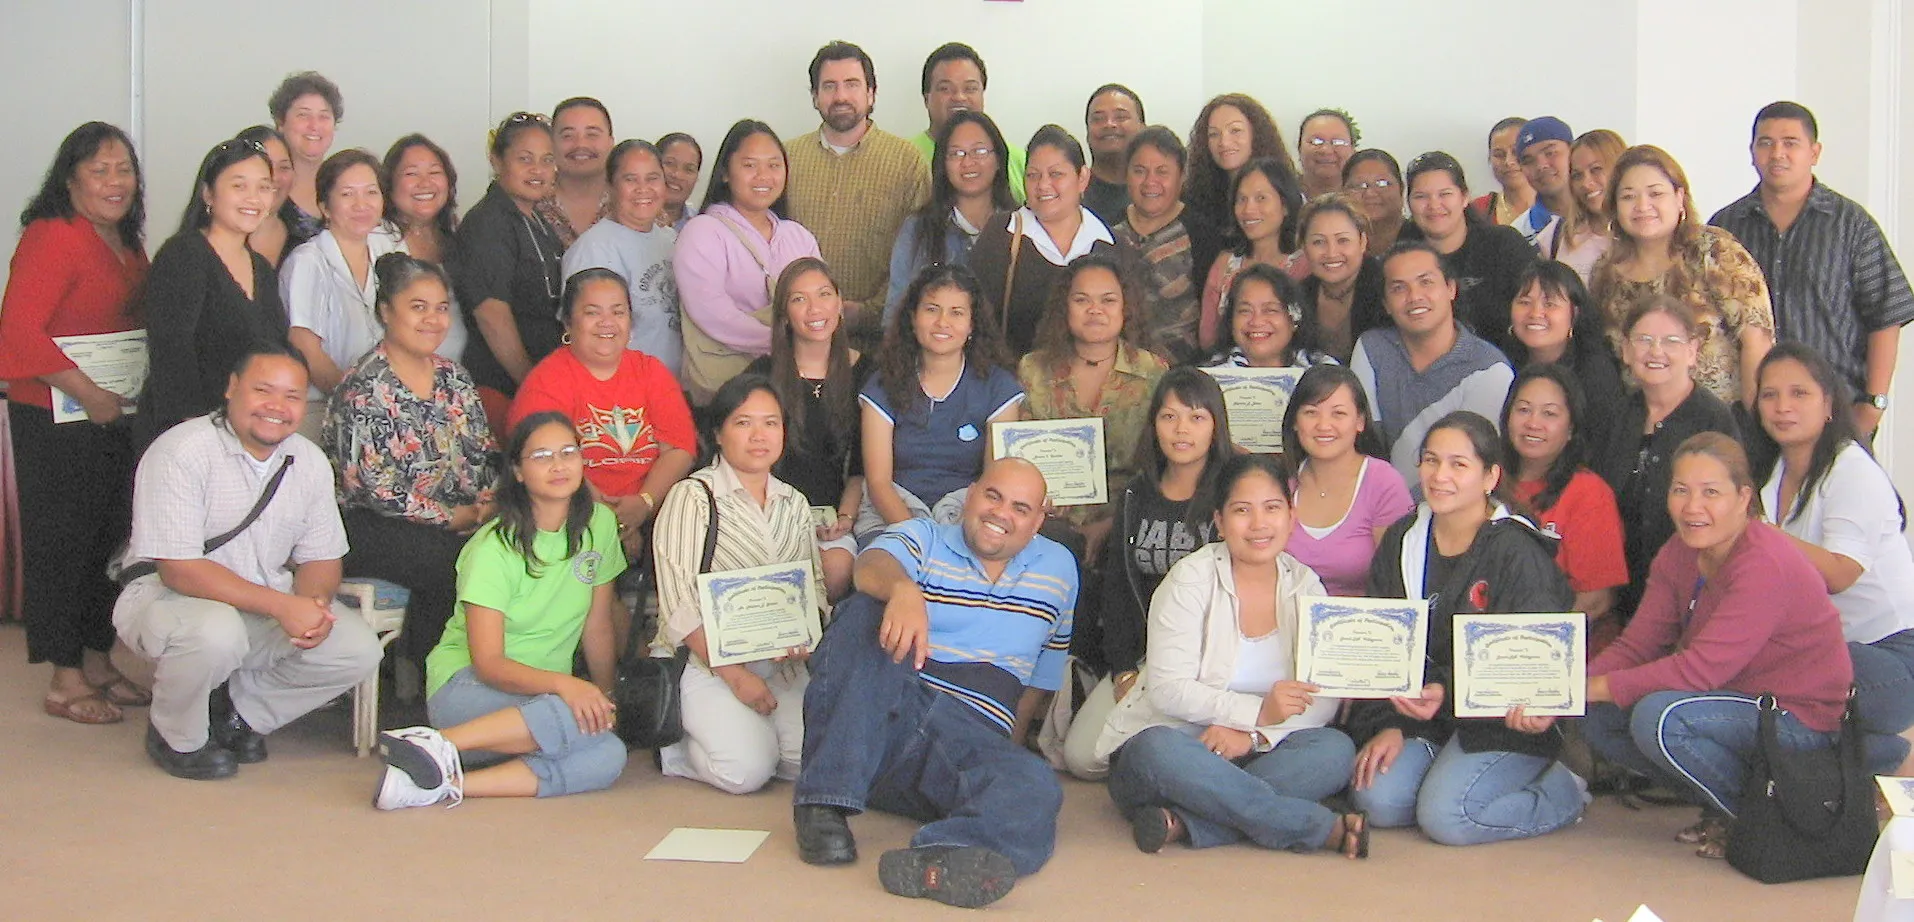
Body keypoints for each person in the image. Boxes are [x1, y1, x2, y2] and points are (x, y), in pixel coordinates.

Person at [792, 458, 1076, 908]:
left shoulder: (1060, 568)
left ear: (1039, 519)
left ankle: (942, 856)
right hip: (892, 714)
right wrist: (903, 590)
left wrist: (1003, 758)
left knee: (1034, 784)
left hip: (967, 742)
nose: (1001, 513)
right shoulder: (925, 536)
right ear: (971, 494)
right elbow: (872, 564)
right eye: (993, 496)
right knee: (864, 611)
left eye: (1020, 508)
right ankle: (824, 802)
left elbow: (1042, 673)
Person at [114, 344, 382, 779]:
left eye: (292, 396)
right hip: (167, 597)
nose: (277, 407)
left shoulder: (308, 461)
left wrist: (311, 607)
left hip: (264, 600)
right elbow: (179, 569)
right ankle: (175, 735)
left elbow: (322, 557)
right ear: (232, 388)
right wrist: (283, 606)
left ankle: (239, 714)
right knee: (215, 632)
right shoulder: (181, 451)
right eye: (263, 390)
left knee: (357, 648)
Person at [1584, 432, 1852, 858]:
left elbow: (1699, 670)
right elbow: (1637, 645)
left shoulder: (1764, 561)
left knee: (1659, 718)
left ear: (1744, 497)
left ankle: (1765, 820)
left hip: (1797, 716)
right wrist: (1564, 690)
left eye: (1711, 492)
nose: (1693, 507)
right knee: (1595, 715)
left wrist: (1595, 687)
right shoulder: (1678, 551)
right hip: (1732, 700)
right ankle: (1723, 808)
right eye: (1681, 490)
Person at [1098, 453, 1367, 858]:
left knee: (1334, 749)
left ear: (1291, 517)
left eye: (1272, 508)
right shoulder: (1189, 580)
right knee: (1155, 748)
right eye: (1242, 510)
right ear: (1220, 522)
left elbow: (1322, 695)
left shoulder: (1305, 585)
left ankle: (1190, 822)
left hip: (1256, 752)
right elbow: (1168, 691)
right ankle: (1314, 827)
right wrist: (1256, 712)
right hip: (1179, 749)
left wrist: (1253, 735)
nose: (1259, 524)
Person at [1346, 411, 1585, 845]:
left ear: (1490, 476)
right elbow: (1385, 648)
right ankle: (1445, 771)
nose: (1440, 476)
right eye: (1431, 460)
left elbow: (1530, 664)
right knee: (1377, 799)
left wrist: (1449, 691)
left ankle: (1563, 790)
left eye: (1459, 464)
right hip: (1427, 719)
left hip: (1502, 721)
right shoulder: (1404, 539)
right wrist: (1391, 723)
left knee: (1447, 818)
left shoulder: (1516, 549)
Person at [372, 411, 627, 808]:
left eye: (568, 452)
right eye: (541, 456)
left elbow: (598, 627)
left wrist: (604, 697)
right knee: (568, 714)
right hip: (469, 691)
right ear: (518, 472)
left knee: (609, 753)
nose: (558, 465)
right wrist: (568, 687)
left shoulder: (601, 524)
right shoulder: (493, 548)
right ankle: (438, 740)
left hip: (539, 703)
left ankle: (436, 782)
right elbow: (489, 664)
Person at [0, 122, 151, 724]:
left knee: (108, 537)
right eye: (99, 170)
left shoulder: (125, 240)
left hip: (112, 416)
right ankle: (65, 677)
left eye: (124, 169)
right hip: (56, 418)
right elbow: (17, 333)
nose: (115, 182)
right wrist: (88, 393)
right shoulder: (52, 234)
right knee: (63, 543)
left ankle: (97, 658)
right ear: (70, 179)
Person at [652, 375, 828, 794]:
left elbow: (815, 588)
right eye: (743, 423)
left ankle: (746, 734)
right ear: (718, 433)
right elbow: (678, 607)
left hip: (779, 662)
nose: (759, 436)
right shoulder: (693, 497)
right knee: (746, 771)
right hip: (705, 662)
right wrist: (735, 676)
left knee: (809, 761)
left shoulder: (795, 503)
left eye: (771, 423)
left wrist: (808, 632)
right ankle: (677, 750)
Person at [325, 253, 498, 667]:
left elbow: (484, 451)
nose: (433, 320)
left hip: (458, 515)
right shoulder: (366, 386)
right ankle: (430, 676)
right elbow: (375, 488)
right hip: (371, 524)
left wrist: (487, 503)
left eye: (441, 308)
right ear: (386, 311)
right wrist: (449, 517)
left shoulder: (454, 377)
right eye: (418, 307)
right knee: (453, 561)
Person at [1060, 369, 1229, 779]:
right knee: (1082, 758)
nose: (1181, 429)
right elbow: (1118, 588)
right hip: (1146, 656)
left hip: (1211, 659)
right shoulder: (1137, 493)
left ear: (1216, 426)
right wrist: (1123, 669)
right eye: (1169, 417)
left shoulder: (1231, 491)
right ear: (1153, 424)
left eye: (1196, 417)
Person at [1711, 101, 1914, 439]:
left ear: (1814, 152)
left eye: (1790, 143)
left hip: (1835, 411)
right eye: (1766, 143)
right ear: (1752, 152)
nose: (1777, 153)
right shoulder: (1726, 227)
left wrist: (1873, 404)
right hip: (1749, 415)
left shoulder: (1851, 224)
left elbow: (1886, 315)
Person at [1752, 344, 1914, 765]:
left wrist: (1761, 535)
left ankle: (1881, 755)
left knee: (1763, 672)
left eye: (1799, 393)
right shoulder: (1771, 475)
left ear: (1828, 404)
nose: (1782, 407)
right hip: (1825, 648)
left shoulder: (1851, 469)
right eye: (1770, 395)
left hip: (1891, 654)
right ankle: (1877, 757)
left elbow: (1840, 574)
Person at [509, 269, 697, 564]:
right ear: (568, 322)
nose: (607, 322)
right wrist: (610, 523)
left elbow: (679, 449)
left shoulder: (650, 371)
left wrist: (643, 504)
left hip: (655, 513)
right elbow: (548, 466)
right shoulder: (546, 382)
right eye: (592, 312)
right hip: (574, 517)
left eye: (618, 312)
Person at [1590, 145, 1775, 409]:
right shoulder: (1605, 272)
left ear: (1679, 198)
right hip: (1642, 422)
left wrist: (1753, 418)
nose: (1642, 206)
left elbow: (1756, 340)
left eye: (1655, 194)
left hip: (1722, 420)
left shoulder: (1713, 251)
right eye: (1628, 197)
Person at [1591, 296, 1739, 620]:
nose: (1656, 351)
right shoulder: (1616, 416)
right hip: (1620, 593)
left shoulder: (1713, 419)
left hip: (1694, 593)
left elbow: (1732, 511)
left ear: (1692, 350)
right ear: (1626, 350)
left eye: (1671, 341)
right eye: (1644, 340)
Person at [136, 137, 290, 444]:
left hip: (246, 434)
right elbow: (172, 353)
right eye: (239, 186)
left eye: (264, 187)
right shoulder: (184, 254)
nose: (253, 198)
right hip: (188, 435)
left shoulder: (260, 267)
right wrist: (199, 436)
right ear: (208, 193)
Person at [1017, 252, 1169, 560]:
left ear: (1126, 307)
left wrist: (1113, 526)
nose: (1095, 310)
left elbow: (1162, 469)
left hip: (1127, 523)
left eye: (1108, 300)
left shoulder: (1153, 372)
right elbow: (1018, 459)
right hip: (1044, 522)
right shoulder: (1033, 369)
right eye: (1081, 300)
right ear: (1065, 307)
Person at [857, 264, 1022, 539]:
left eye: (956, 312)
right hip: (893, 513)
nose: (943, 322)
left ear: (972, 324)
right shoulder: (883, 383)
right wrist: (920, 539)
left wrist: (956, 541)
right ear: (913, 318)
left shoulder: (998, 386)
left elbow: (996, 482)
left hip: (969, 515)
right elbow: (878, 483)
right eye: (932, 309)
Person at [786, 42, 931, 348]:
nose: (840, 96)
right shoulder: (786, 159)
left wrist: (869, 311)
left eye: (852, 84)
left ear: (871, 93)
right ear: (815, 97)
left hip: (879, 340)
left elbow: (921, 251)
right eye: (829, 86)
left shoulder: (907, 161)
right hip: (796, 337)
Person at [746, 258, 871, 601]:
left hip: (838, 513)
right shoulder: (761, 375)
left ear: (839, 303)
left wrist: (844, 517)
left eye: (824, 294)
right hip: (770, 511)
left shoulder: (867, 374)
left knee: (836, 568)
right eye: (799, 299)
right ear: (785, 315)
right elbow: (745, 463)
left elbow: (862, 468)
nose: (815, 308)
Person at [674, 119, 821, 403]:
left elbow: (823, 300)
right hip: (728, 388)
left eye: (774, 165)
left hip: (792, 384)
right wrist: (788, 342)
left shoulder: (798, 236)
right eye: (750, 165)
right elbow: (713, 313)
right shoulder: (702, 231)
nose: (763, 176)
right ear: (725, 173)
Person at [1351, 242, 1514, 491]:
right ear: (1385, 303)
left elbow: (1470, 465)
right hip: (1379, 500)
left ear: (1451, 288)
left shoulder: (1490, 369)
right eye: (1398, 288)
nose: (1414, 296)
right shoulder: (1372, 348)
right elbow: (1364, 443)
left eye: (1426, 282)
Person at [1499, 365, 1628, 648]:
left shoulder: (1588, 493)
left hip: (1562, 647)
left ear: (1571, 429)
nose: (1533, 423)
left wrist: (1531, 645)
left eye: (1549, 413)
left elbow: (1596, 599)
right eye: (1523, 410)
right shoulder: (1487, 481)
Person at [967, 125, 1122, 356]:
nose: (1043, 185)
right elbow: (975, 318)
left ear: (1082, 178)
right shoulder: (1000, 236)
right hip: (1015, 374)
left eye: (1056, 174)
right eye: (1033, 175)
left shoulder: (1112, 245)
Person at [282, 148, 404, 432]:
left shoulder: (388, 245)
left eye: (371, 192)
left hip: (387, 405)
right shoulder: (307, 261)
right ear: (325, 207)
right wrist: (359, 403)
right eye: (347, 194)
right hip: (321, 408)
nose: (362, 204)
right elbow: (306, 349)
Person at [455, 112, 563, 416]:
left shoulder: (537, 218)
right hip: (503, 386)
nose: (537, 170)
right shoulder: (488, 223)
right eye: (525, 159)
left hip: (539, 376)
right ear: (497, 161)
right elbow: (492, 316)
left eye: (547, 160)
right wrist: (532, 386)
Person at [1281, 365, 1414, 597]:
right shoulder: (1280, 482)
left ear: (1360, 422)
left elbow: (1397, 580)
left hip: (1361, 618)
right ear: (1294, 421)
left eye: (1338, 414)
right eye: (1311, 412)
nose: (1323, 425)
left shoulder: (1383, 483)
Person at [562, 139, 683, 376]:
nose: (643, 189)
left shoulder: (671, 240)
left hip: (672, 386)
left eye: (652, 178)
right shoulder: (592, 250)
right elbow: (584, 340)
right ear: (610, 186)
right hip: (624, 388)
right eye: (630, 179)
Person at [885, 111, 1017, 324]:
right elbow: (895, 316)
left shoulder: (1022, 227)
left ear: (999, 159)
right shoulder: (917, 229)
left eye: (979, 151)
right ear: (942, 164)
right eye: (956, 154)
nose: (968, 162)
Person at [1396, 151, 1534, 354]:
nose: (1434, 205)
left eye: (1445, 194)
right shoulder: (1401, 260)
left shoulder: (1504, 245)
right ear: (1408, 203)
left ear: (1464, 197)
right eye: (1421, 197)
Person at [1503, 260, 1627, 451]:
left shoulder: (1596, 374)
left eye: (1549, 304)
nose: (1535, 313)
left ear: (1574, 313)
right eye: (1525, 302)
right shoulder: (1501, 365)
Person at [1184, 94, 1297, 293]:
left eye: (1235, 131)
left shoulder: (1285, 189)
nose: (1224, 142)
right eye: (1213, 134)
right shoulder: (1193, 199)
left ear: (1256, 134)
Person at [1112, 127, 1207, 365]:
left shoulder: (1201, 233)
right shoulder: (1107, 230)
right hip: (1119, 369)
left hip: (1186, 370)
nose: (1150, 182)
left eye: (1162, 172)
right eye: (1139, 171)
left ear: (1182, 176)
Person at [1198, 157, 1307, 356]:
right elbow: (1208, 339)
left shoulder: (1304, 264)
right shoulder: (1225, 264)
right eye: (1242, 199)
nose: (1248, 209)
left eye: (1261, 198)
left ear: (1285, 205)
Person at [382, 134, 468, 363]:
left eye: (434, 172)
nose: (425, 182)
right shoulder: (376, 240)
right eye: (411, 174)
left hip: (455, 374)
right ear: (389, 185)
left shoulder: (458, 237)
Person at [909, 42, 1028, 202]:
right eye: (945, 89)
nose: (959, 97)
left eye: (970, 88)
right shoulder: (906, 158)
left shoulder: (1017, 160)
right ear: (926, 99)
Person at [1295, 194, 1387, 363]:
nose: (1331, 253)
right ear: (1304, 247)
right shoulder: (1298, 296)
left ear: (1362, 242)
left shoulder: (1386, 289)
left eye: (1343, 240)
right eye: (1318, 242)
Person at [266, 71, 342, 250]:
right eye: (303, 115)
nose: (314, 126)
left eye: (324, 116)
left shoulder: (343, 185)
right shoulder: (265, 187)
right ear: (281, 123)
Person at [1204, 264, 1333, 369]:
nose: (1256, 321)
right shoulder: (1209, 378)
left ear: (1294, 318)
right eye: (1245, 311)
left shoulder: (1324, 372)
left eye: (1270, 310)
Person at [540, 96, 613, 246]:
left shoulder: (633, 201)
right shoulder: (530, 203)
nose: (580, 144)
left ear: (610, 143)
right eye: (568, 136)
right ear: (551, 143)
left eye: (592, 135)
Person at [235, 125, 297, 266]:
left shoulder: (304, 244)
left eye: (284, 167)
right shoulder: (204, 247)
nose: (274, 177)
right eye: (264, 165)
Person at [1509, 116, 1575, 249]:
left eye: (1550, 153)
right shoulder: (1518, 236)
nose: (1541, 166)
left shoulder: (1607, 213)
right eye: (1528, 161)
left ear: (1573, 152)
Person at [1083, 84, 1144, 226]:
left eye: (1121, 117)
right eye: (1098, 119)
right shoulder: (1071, 197)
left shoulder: (1165, 193)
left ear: (1143, 128)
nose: (1109, 124)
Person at [1470, 117, 1533, 227]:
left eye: (1516, 152)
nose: (1508, 162)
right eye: (1499, 154)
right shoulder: (1477, 210)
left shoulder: (1559, 206)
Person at [1343, 150, 1405, 259]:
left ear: (1401, 189)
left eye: (1382, 183)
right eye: (1359, 185)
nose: (1370, 193)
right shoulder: (1334, 247)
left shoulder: (1425, 240)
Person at [1298, 108, 1360, 201]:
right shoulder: (1281, 196)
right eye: (1316, 141)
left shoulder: (1366, 199)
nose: (1326, 150)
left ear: (1353, 150)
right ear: (1299, 148)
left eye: (1338, 142)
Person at [657, 132, 703, 232]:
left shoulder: (701, 226)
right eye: (670, 163)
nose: (677, 175)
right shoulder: (627, 218)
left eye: (689, 169)